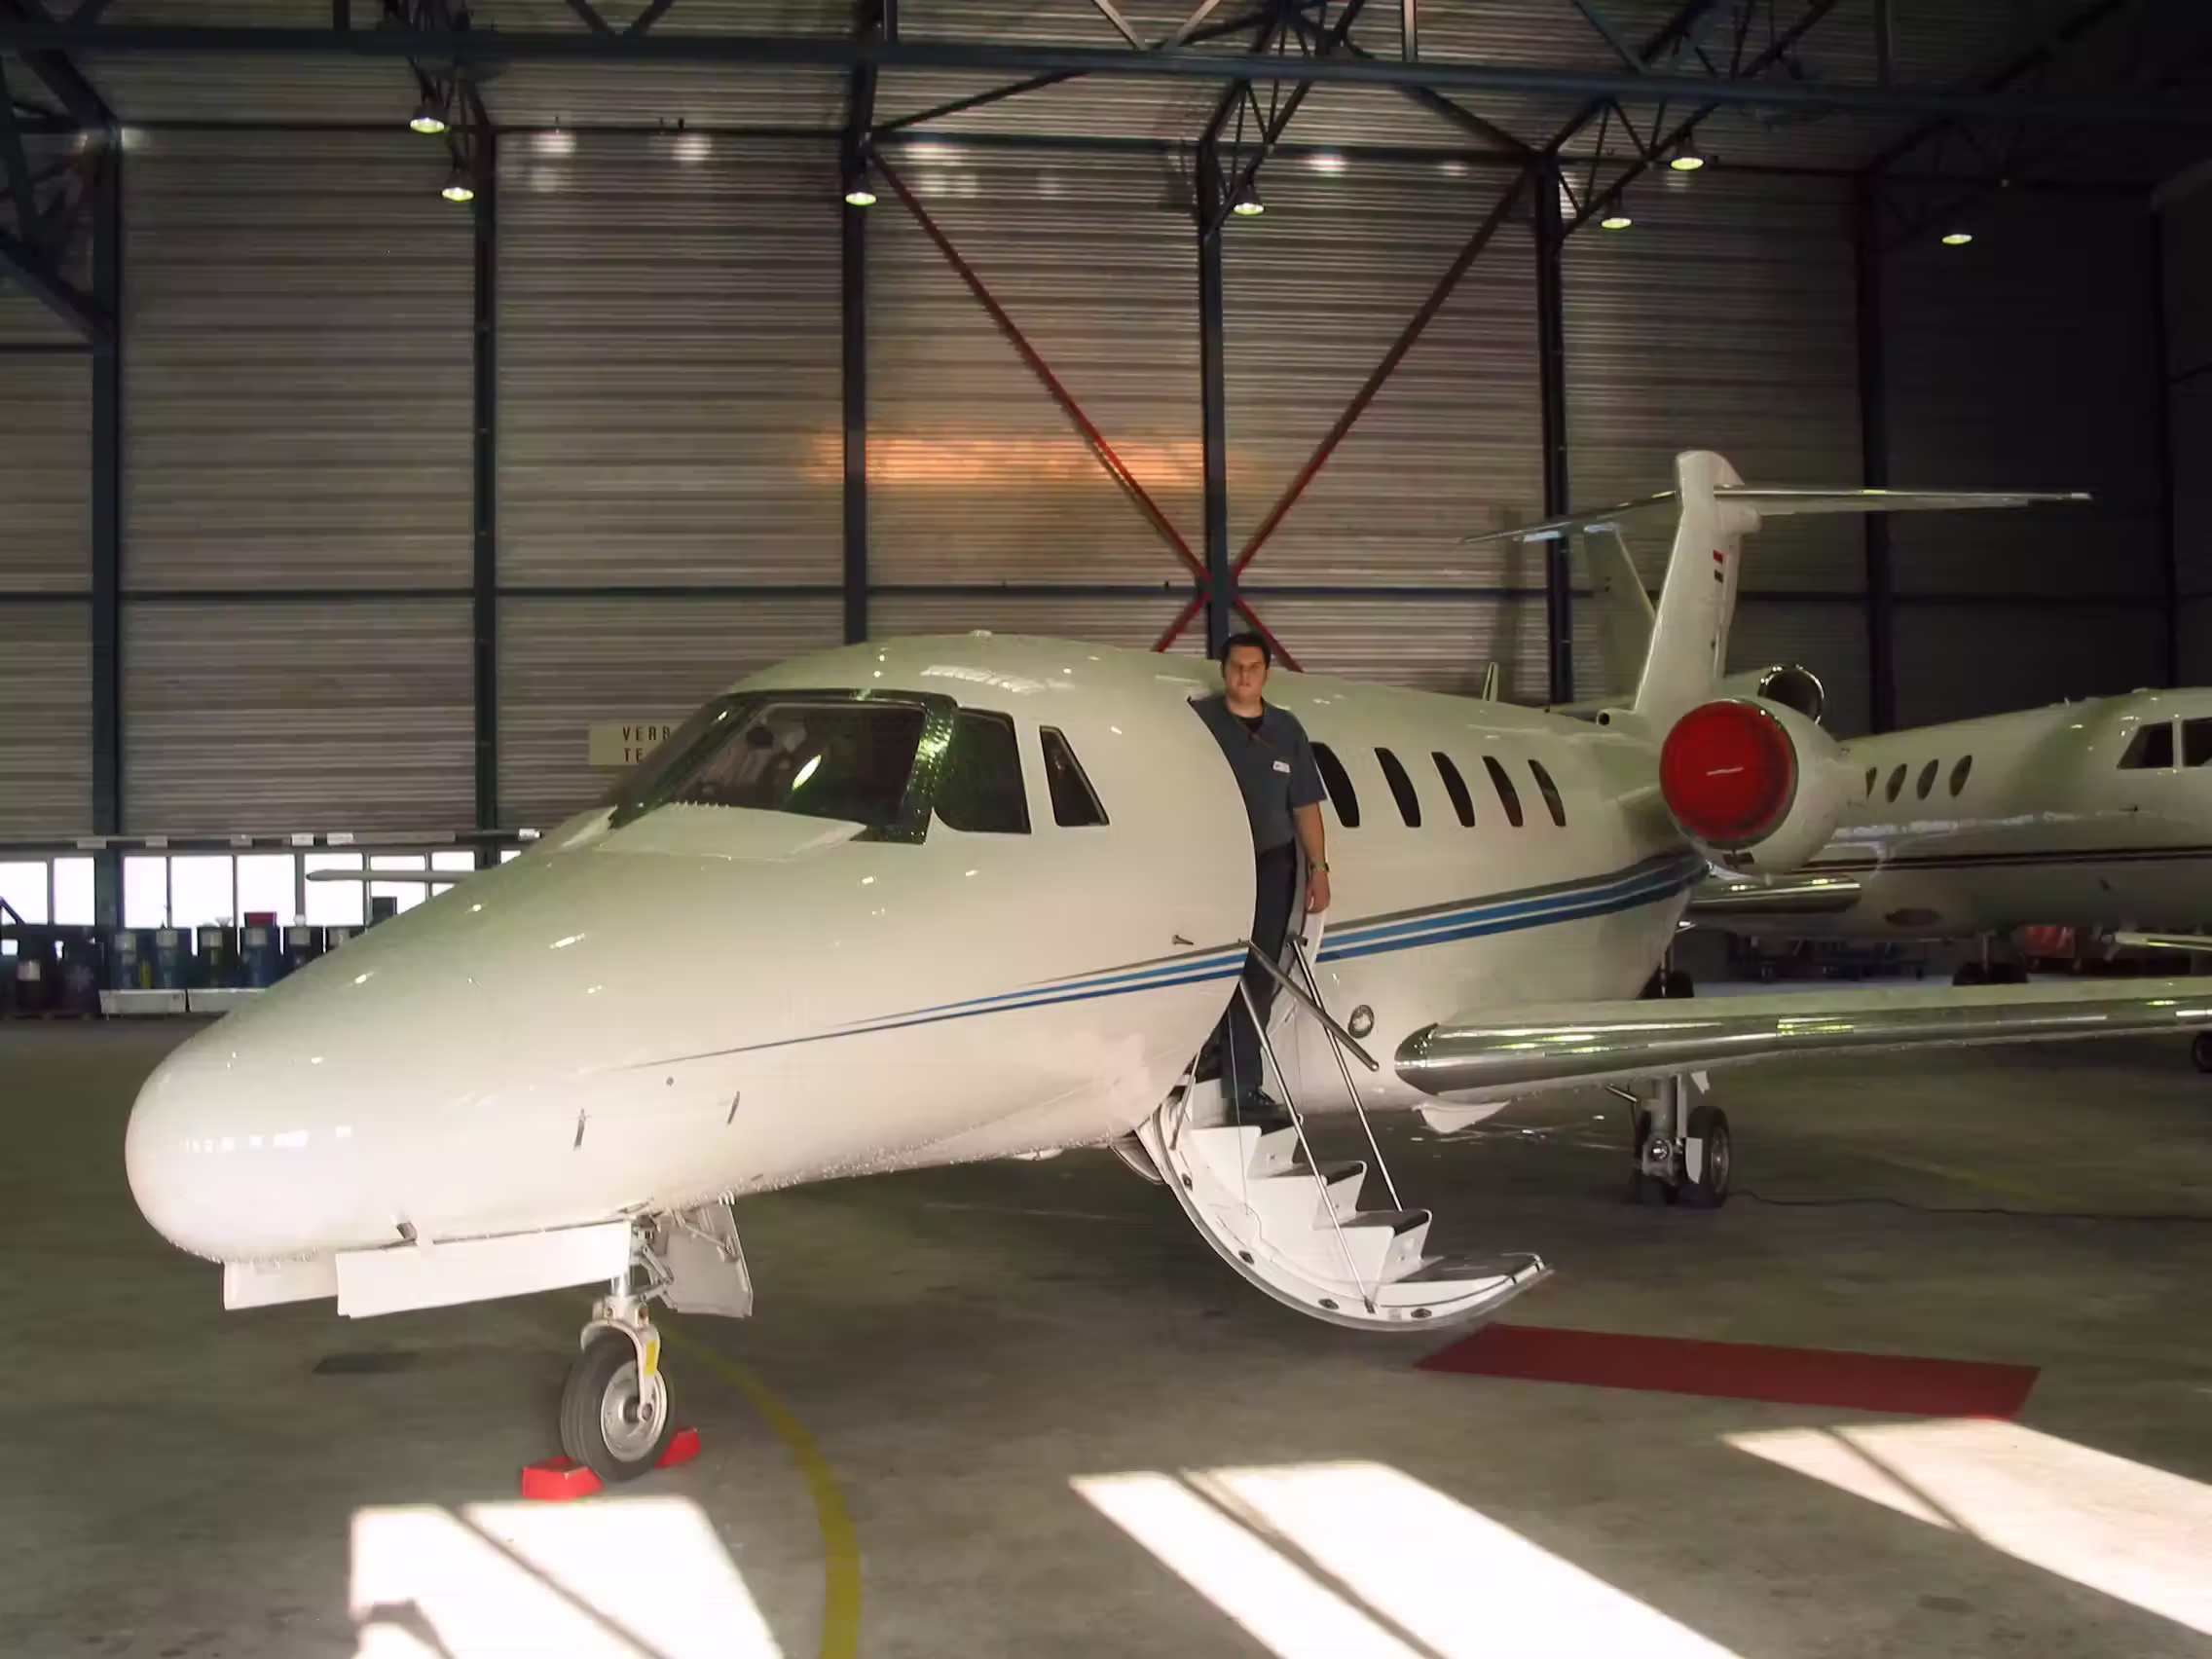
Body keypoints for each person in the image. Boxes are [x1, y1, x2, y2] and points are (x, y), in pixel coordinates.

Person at [1191, 631, 1330, 1122]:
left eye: (1253, 667)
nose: (1244, 675)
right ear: (1223, 670)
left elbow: (1305, 806)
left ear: (1266, 673)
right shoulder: (1199, 721)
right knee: (1207, 968)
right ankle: (1199, 1070)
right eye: (1236, 667)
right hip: (1211, 865)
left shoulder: (1286, 730)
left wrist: (1319, 868)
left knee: (1258, 973)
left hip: (1271, 863)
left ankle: (1243, 1084)